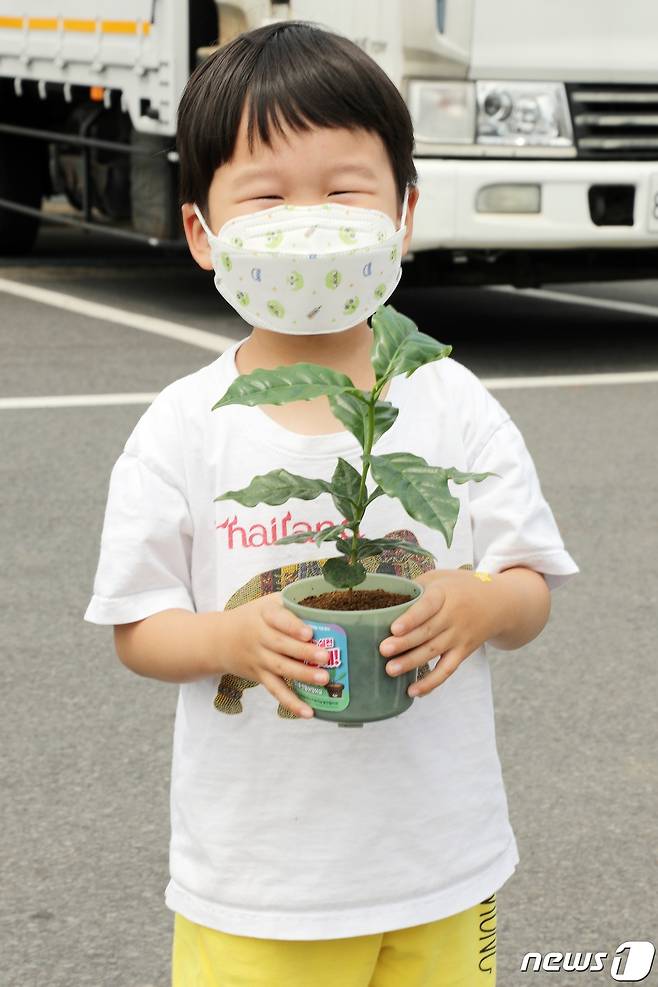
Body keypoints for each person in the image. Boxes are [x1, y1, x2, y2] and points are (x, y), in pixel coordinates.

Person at [84, 20, 579, 987]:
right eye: (266, 197)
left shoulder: (450, 398)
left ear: (402, 212)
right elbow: (137, 627)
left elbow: (527, 586)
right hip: (262, 886)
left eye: (345, 190)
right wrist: (227, 642)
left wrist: (483, 603)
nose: (308, 218)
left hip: (443, 867)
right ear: (201, 232)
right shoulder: (185, 426)